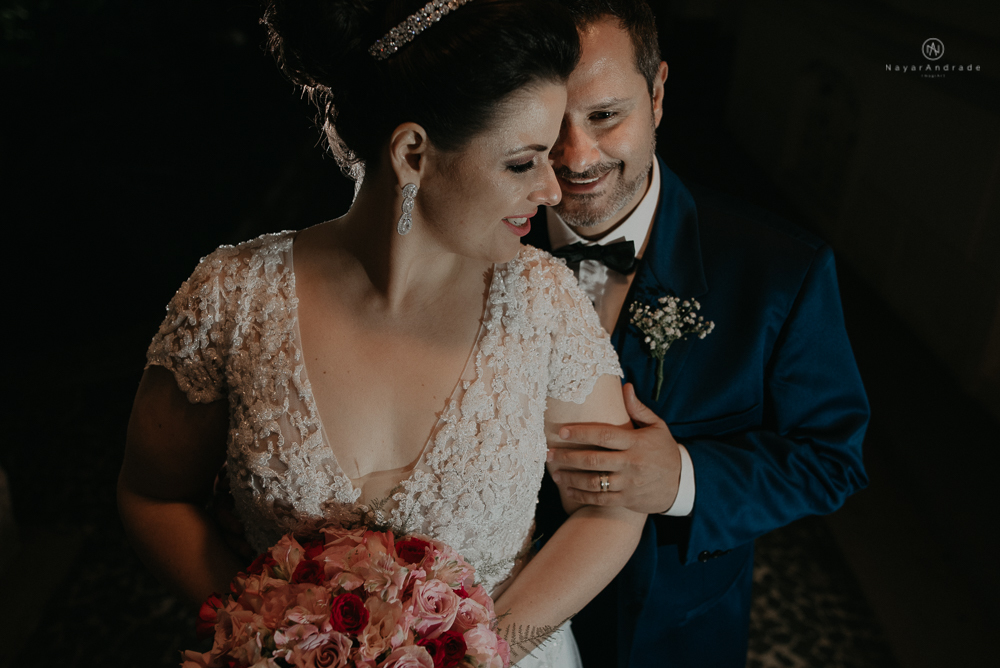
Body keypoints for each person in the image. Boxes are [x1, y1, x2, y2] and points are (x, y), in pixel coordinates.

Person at [116, 2, 646, 666]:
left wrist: (479, 648)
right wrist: (263, 635)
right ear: (413, 153)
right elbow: (154, 492)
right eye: (522, 162)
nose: (551, 188)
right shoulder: (232, 298)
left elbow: (611, 510)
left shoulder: (542, 304)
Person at [526, 1, 871, 666]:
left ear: (656, 94)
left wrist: (683, 477)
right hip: (502, 618)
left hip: (675, 634)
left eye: (605, 116)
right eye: (546, 124)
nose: (575, 156)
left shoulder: (781, 273)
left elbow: (832, 459)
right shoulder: (471, 254)